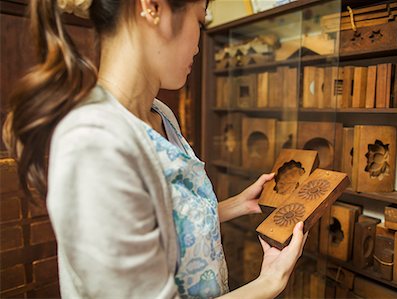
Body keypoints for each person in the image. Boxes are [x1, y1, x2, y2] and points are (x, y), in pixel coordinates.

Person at [4, 0, 308, 298]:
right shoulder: (96, 142)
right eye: (200, 22)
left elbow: (164, 223)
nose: (199, 46)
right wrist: (270, 281)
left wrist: (236, 205)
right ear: (152, 7)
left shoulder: (160, 114)